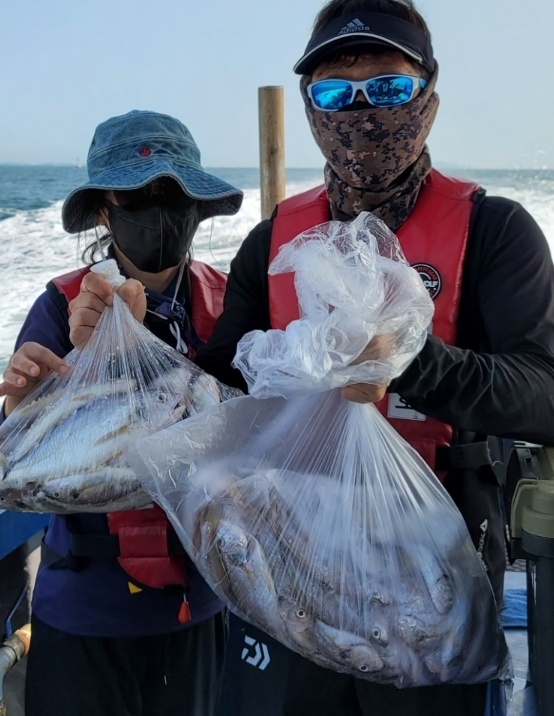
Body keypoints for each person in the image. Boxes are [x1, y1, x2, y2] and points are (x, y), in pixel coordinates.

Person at [189, 1, 554, 715]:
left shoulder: (495, 231)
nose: (360, 111)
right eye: (334, 92)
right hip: (291, 578)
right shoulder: (271, 243)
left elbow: (543, 394)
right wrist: (111, 349)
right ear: (310, 108)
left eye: (387, 86)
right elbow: (219, 387)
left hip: (434, 575)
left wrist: (414, 361)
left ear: (429, 99)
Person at [0, 109, 243, 716]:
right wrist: (25, 399)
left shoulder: (230, 304)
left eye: (173, 194)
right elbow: (14, 465)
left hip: (200, 601)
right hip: (84, 609)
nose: (158, 209)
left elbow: (255, 437)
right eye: (133, 195)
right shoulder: (61, 307)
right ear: (104, 211)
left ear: (197, 208)